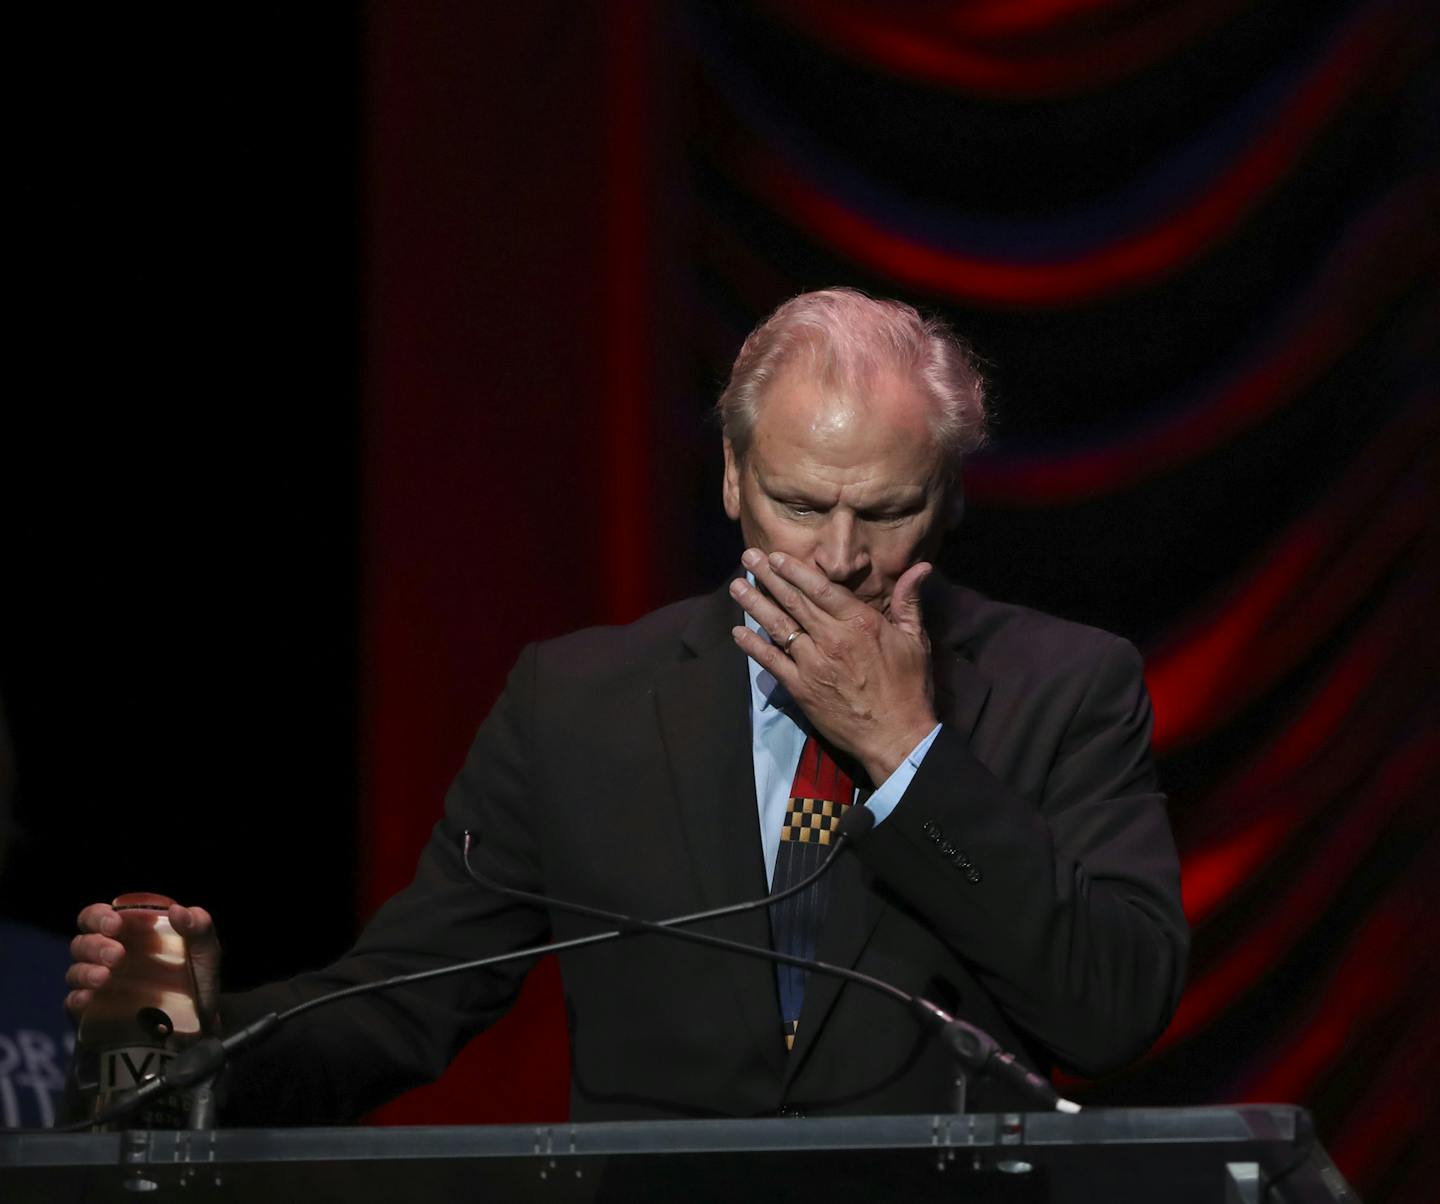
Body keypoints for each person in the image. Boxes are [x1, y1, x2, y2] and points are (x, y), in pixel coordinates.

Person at [68, 289, 1188, 1123]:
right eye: (800, 504)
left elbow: (1113, 1010)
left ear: (946, 499)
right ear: (733, 480)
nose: (841, 558)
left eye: (887, 511)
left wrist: (904, 750)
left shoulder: (1063, 685)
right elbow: (403, 1000)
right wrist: (201, 1033)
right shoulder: (577, 703)